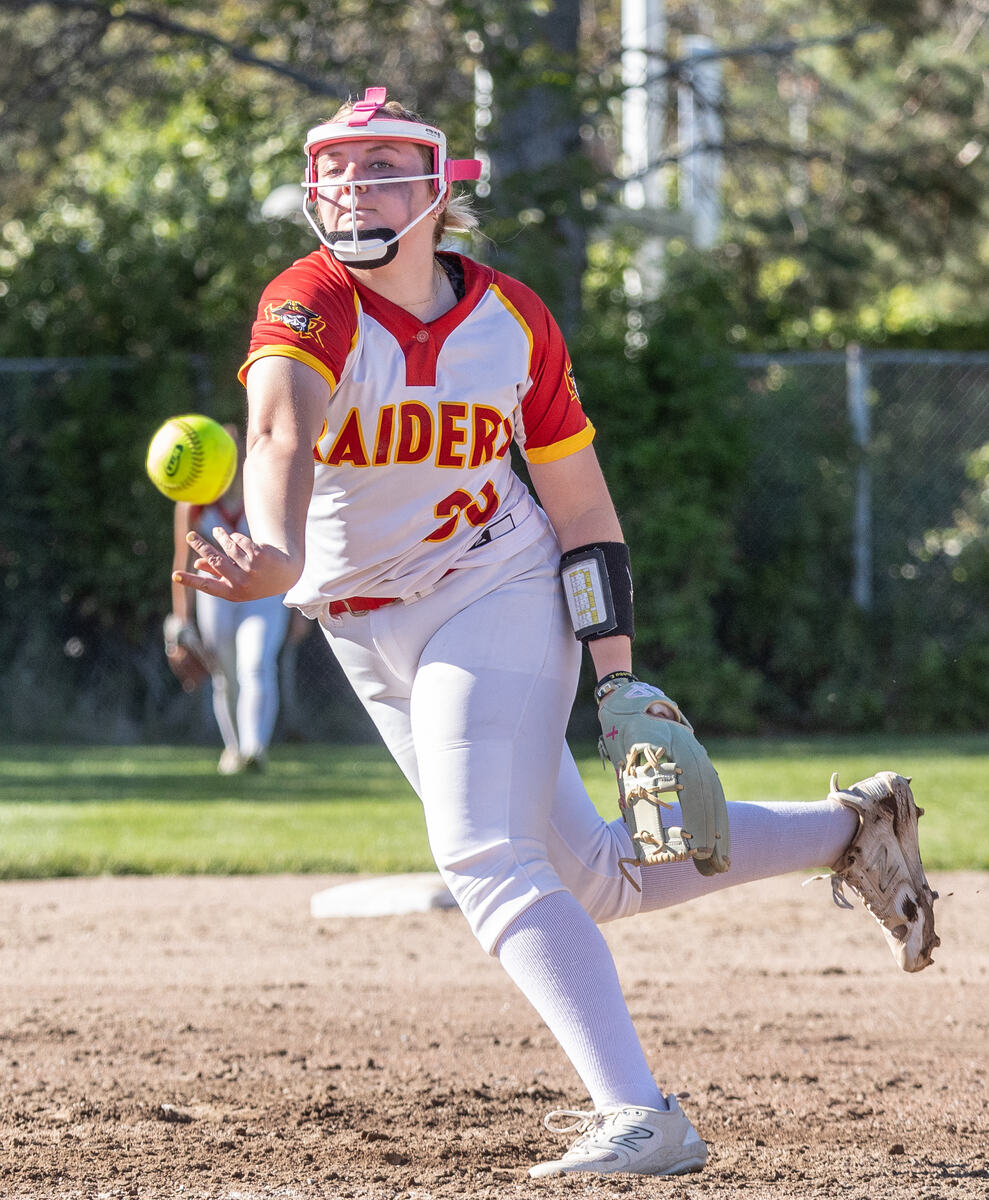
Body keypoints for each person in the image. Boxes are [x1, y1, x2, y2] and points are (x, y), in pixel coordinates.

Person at [172, 87, 939, 1177]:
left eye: (384, 166)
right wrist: (280, 553)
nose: (354, 187)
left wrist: (615, 680)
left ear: (443, 191)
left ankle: (643, 1117)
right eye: (338, 169)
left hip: (494, 586)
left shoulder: (512, 319)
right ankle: (849, 830)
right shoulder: (309, 299)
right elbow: (280, 431)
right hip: (360, 622)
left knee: (482, 852)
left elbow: (580, 511)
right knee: (590, 878)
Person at [166, 425, 292, 774]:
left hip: (263, 594)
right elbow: (183, 561)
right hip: (215, 593)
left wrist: (301, 607)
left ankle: (255, 750)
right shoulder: (194, 497)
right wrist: (181, 623)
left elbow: (293, 549)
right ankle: (234, 750)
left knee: (256, 664)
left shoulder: (266, 487)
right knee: (224, 673)